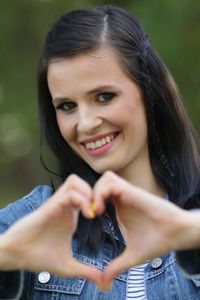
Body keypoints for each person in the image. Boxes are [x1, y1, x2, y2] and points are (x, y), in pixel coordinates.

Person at [1, 4, 200, 299]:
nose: (86, 124)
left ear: (150, 92)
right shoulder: (34, 222)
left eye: (104, 97)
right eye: (67, 106)